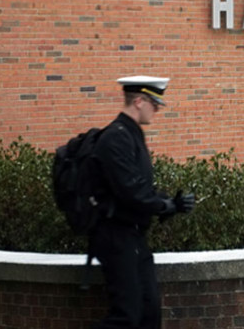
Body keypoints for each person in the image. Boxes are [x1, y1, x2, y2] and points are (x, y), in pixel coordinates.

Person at [90, 75, 194, 329]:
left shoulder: (131, 135)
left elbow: (140, 187)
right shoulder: (116, 138)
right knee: (127, 316)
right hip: (117, 238)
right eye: (154, 102)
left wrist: (171, 202)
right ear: (138, 101)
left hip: (134, 238)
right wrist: (165, 206)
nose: (157, 108)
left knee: (149, 313)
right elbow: (131, 191)